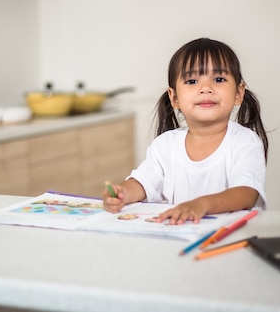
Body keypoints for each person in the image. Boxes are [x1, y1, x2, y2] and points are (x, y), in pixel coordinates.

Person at [103, 38, 268, 224]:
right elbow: (143, 184)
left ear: (238, 93)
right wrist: (123, 193)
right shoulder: (165, 145)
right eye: (192, 81)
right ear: (174, 98)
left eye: (219, 79)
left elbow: (246, 194)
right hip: (181, 237)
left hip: (230, 237)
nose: (206, 88)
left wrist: (201, 205)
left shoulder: (245, 142)